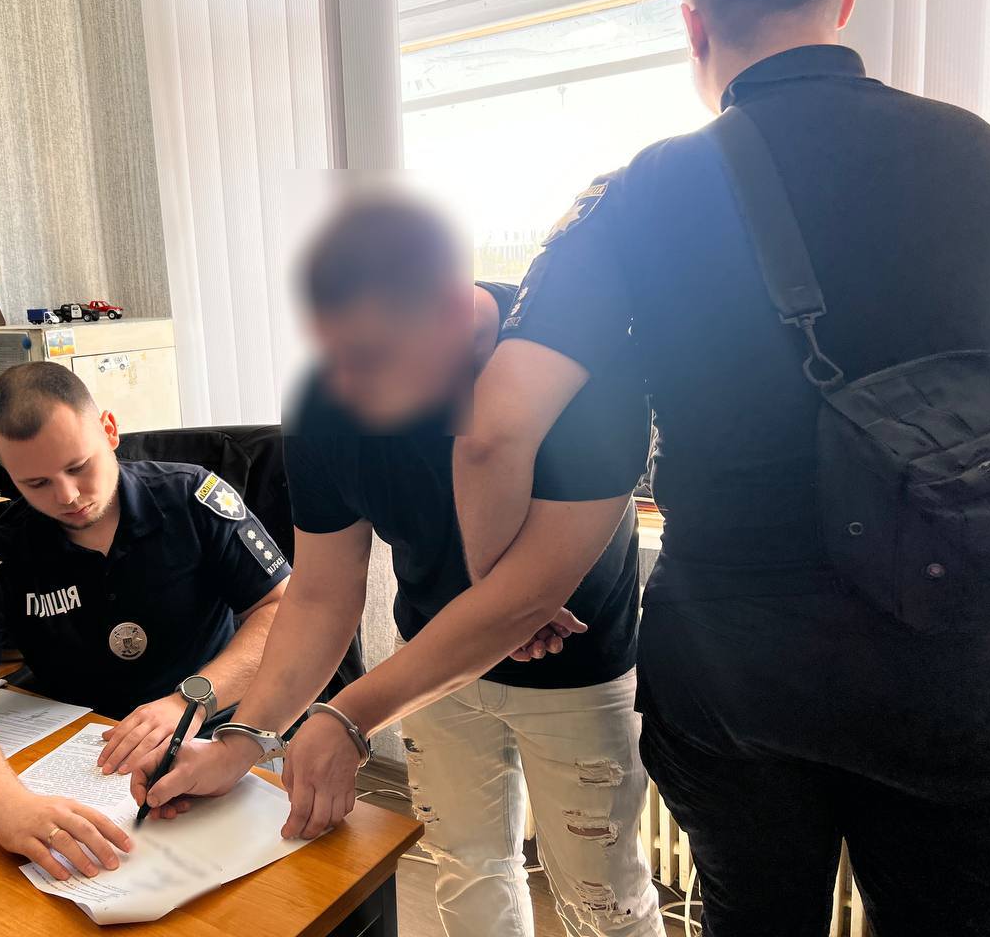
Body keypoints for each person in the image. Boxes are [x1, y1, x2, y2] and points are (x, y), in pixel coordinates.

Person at [451, 0, 990, 933]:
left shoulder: (642, 191)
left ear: (694, 24)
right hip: (948, 657)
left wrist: (510, 602)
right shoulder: (976, 153)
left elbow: (496, 428)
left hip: (733, 665)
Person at [144, 197, 662, 936]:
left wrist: (348, 717)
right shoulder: (330, 395)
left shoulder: (576, 366)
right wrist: (244, 738)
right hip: (429, 666)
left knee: (604, 898)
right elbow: (321, 596)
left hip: (578, 673)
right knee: (466, 871)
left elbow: (522, 603)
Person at [0, 362, 289, 883]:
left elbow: (282, 613)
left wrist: (189, 700)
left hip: (217, 730)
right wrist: (7, 808)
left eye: (78, 466)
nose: (67, 495)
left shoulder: (193, 499)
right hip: (83, 756)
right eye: (36, 482)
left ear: (109, 430)